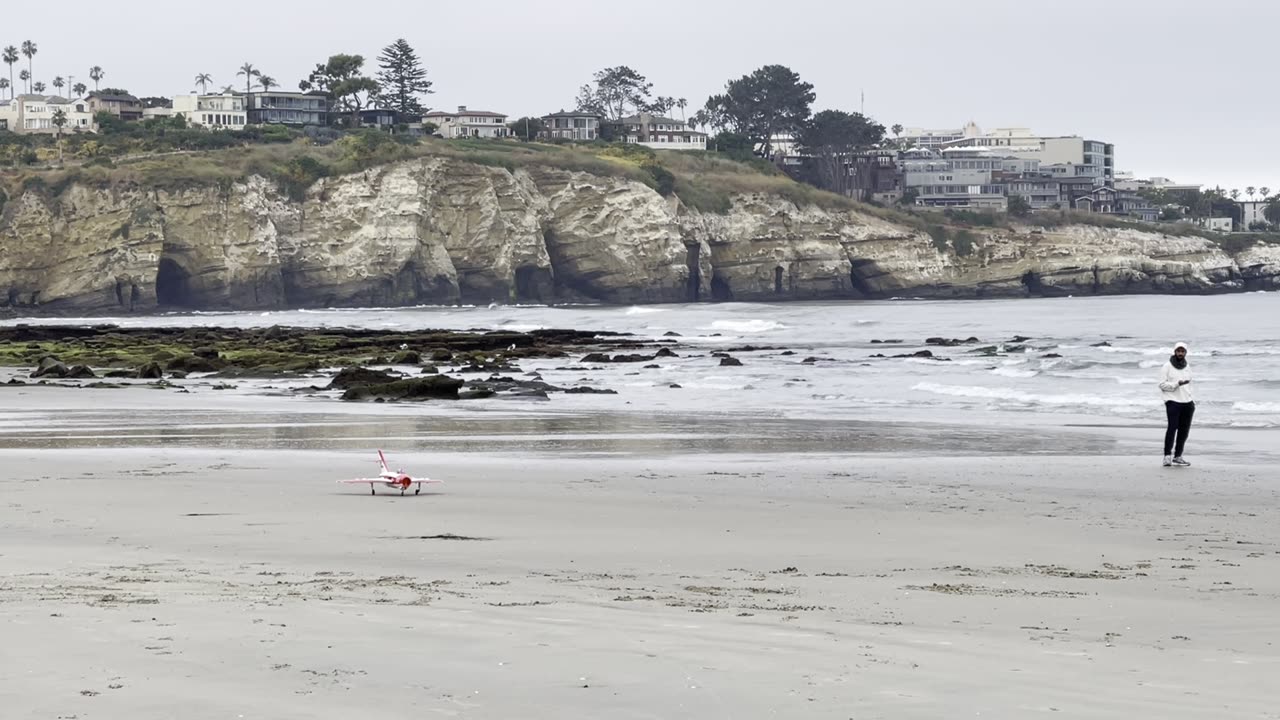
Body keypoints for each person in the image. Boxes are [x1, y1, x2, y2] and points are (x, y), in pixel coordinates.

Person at [1158, 342, 1194, 467]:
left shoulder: (1187, 366)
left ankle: (1178, 456)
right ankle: (1167, 456)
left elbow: (1190, 384)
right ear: (1174, 352)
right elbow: (1162, 385)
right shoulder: (1167, 366)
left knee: (1184, 431)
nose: (1180, 353)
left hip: (1187, 402)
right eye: (1178, 351)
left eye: (1182, 351)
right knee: (1172, 428)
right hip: (1173, 401)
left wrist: (1190, 398)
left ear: (1185, 353)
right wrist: (1176, 384)